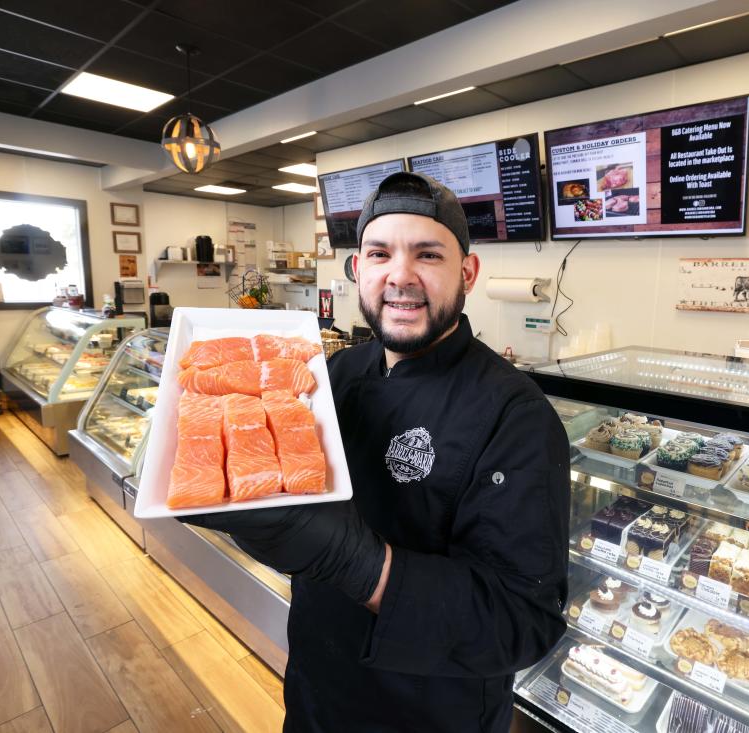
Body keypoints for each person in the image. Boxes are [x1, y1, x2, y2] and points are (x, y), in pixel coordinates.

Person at [185, 171, 570, 732]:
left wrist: (359, 563)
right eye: (380, 253)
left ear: (467, 273)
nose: (401, 276)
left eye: (428, 255)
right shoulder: (333, 374)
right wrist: (251, 514)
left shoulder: (517, 416)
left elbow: (521, 621)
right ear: (358, 269)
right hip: (316, 689)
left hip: (431, 714)